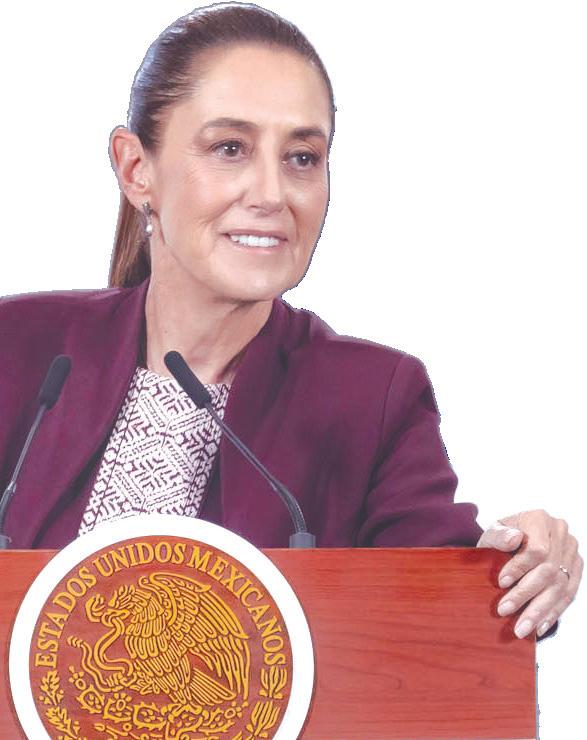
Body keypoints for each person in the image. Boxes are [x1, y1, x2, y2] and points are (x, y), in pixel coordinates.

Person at [0, 2, 581, 645]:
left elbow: (445, 615)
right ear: (137, 170)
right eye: (230, 148)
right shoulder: (18, 351)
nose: (272, 194)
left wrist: (523, 568)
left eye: (302, 157)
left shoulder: (372, 400)